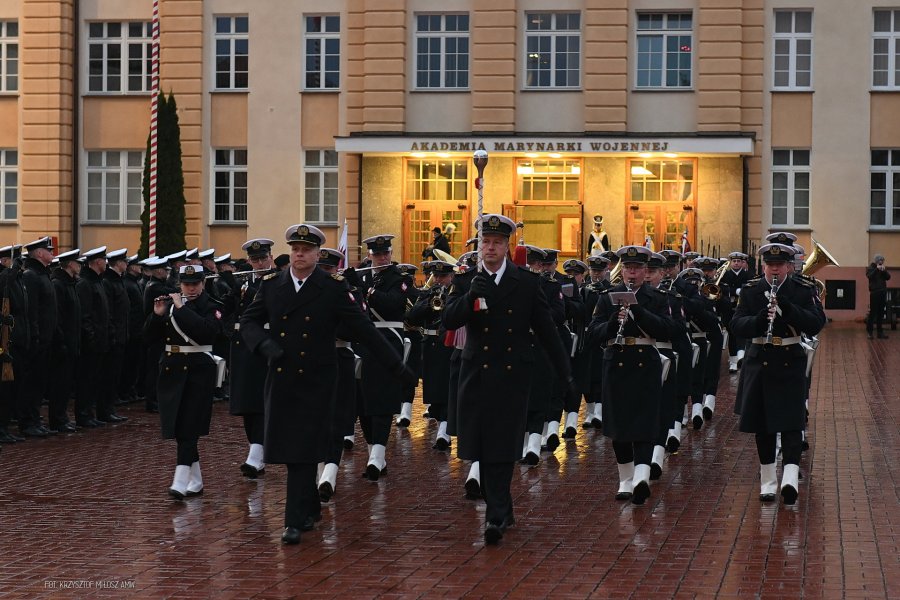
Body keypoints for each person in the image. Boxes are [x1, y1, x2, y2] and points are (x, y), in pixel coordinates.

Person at [240, 224, 415, 544]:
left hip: (319, 377)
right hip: (282, 375)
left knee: (306, 446)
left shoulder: (332, 287)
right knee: (294, 447)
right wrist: (264, 345)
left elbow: (363, 329)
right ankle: (304, 510)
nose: (299, 255)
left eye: (306, 250)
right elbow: (249, 321)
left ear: (317, 254)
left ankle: (295, 518)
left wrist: (397, 368)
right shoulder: (272, 286)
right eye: (295, 249)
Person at [443, 214, 573, 544]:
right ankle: (502, 505)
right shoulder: (466, 281)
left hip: (512, 375)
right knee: (480, 447)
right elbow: (449, 320)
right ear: (479, 246)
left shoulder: (527, 283)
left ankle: (496, 514)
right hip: (476, 374)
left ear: (506, 247)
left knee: (501, 447)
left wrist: (565, 374)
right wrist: (470, 296)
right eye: (485, 242)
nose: (490, 248)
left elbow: (547, 330)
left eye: (497, 243)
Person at [731, 243, 824, 506]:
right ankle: (768, 481)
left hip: (790, 362)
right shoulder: (751, 290)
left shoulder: (803, 290)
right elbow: (736, 324)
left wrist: (787, 307)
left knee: (792, 423)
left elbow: (817, 322)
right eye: (769, 265)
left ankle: (791, 478)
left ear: (788, 267)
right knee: (763, 425)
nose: (774, 269)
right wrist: (760, 320)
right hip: (760, 362)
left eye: (779, 265)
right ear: (763, 266)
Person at [587, 245, 673, 505]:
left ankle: (641, 477)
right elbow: (593, 332)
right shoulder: (607, 297)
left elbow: (668, 329)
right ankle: (625, 479)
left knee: (645, 423)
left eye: (637, 269)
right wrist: (613, 322)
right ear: (621, 270)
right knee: (619, 425)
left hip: (645, 365)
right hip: (617, 365)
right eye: (627, 268)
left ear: (646, 271)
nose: (631, 273)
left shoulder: (657, 298)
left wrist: (639, 312)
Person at [144, 264, 225, 500]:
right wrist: (156, 316)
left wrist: (181, 309)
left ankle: (180, 480)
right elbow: (148, 338)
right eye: (186, 284)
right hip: (171, 368)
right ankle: (196, 481)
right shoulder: (169, 306)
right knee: (179, 427)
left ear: (203, 283)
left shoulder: (212, 306)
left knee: (190, 426)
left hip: (198, 371)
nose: (190, 288)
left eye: (195, 284)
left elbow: (207, 333)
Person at [342, 234, 408, 480]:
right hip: (363, 343)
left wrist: (362, 290)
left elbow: (392, 304)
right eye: (377, 254)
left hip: (387, 341)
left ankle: (377, 455)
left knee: (382, 398)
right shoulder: (360, 276)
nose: (382, 258)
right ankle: (374, 454)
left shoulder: (399, 278)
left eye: (385, 253)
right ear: (369, 255)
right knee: (363, 401)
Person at [230, 238, 277, 479]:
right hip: (243, 347)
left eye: (263, 258)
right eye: (255, 259)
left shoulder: (277, 280)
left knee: (262, 402)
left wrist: (250, 292)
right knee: (247, 403)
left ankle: (256, 453)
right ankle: (255, 449)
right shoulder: (242, 281)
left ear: (271, 257)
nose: (259, 263)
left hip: (265, 343)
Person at [75, 247, 111, 428]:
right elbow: (85, 316)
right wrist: (91, 339)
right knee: (86, 380)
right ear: (97, 262)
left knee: (94, 380)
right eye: (104, 260)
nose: (106, 263)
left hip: (100, 341)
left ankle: (89, 413)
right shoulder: (85, 284)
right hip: (91, 343)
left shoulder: (97, 282)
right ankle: (83, 414)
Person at [48, 249, 82, 433]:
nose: (80, 266)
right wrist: (61, 341)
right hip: (62, 344)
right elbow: (58, 317)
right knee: (59, 384)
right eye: (78, 263)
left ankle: (61, 417)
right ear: (69, 264)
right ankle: (57, 419)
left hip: (71, 343)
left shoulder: (71, 284)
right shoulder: (59, 284)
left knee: (66, 384)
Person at [866, 254, 890, 339]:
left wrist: (884, 271)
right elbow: (869, 276)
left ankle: (880, 333)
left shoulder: (882, 268)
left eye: (882, 260)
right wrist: (877, 269)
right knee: (873, 313)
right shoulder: (871, 268)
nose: (882, 262)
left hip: (882, 292)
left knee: (881, 313)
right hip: (874, 293)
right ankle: (870, 332)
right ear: (876, 261)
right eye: (880, 260)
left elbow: (888, 277)